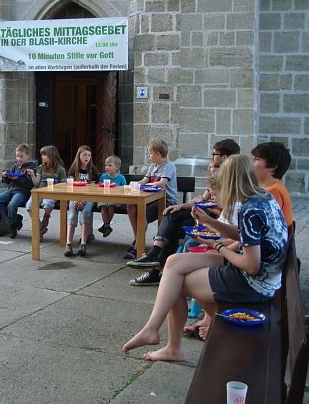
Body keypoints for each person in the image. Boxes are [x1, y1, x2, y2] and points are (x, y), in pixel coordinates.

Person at [122, 154, 288, 362]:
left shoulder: (250, 209)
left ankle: (175, 347)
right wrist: (211, 222)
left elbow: (251, 266)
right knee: (174, 262)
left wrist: (217, 245)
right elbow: (248, 236)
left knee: (176, 285)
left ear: (230, 180)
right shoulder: (262, 197)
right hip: (266, 272)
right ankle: (151, 329)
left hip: (255, 282)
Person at [126, 138, 240, 286]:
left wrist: (208, 206)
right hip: (207, 215)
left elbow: (223, 208)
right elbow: (202, 199)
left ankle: (156, 266)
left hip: (217, 221)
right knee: (171, 214)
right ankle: (156, 263)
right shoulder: (217, 174)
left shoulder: (233, 179)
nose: (212, 158)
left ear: (225, 157)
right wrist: (181, 206)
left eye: (214, 154)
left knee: (175, 225)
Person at [123, 139, 178, 263]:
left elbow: (162, 183)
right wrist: (135, 184)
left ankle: (137, 248)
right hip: (150, 198)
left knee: (144, 214)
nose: (148, 156)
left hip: (166, 200)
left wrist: (147, 186)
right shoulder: (153, 166)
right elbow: (145, 180)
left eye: (150, 153)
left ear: (158, 154)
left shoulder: (169, 166)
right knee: (131, 205)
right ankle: (137, 238)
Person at [0, 143, 37, 239]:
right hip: (11, 190)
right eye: (17, 156)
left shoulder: (31, 167)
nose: (19, 159)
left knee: (11, 205)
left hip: (22, 192)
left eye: (21, 156)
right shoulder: (15, 166)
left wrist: (18, 178)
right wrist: (5, 176)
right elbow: (8, 182)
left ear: (27, 156)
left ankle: (11, 227)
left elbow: (29, 184)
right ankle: (16, 219)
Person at [64, 145, 99, 258]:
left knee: (85, 214)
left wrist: (83, 201)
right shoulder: (74, 170)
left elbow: (93, 189)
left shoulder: (92, 171)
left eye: (89, 155)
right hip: (74, 196)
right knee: (72, 214)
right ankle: (68, 243)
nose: (86, 157)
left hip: (88, 197)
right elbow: (70, 187)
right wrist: (75, 200)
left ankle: (83, 243)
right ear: (79, 156)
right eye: (84, 155)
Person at [26, 145, 66, 239]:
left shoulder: (60, 169)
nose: (41, 157)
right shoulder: (41, 168)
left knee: (47, 204)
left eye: (44, 154)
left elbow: (64, 184)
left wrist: (57, 185)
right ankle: (40, 227)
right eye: (41, 154)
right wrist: (32, 175)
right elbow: (36, 184)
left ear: (51, 156)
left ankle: (46, 216)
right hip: (40, 191)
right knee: (29, 206)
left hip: (52, 192)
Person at [251, 141, 293, 227]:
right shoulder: (270, 187)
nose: (252, 162)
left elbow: (258, 231)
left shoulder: (273, 191)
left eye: (257, 159)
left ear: (273, 166)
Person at [97, 155, 127, 238]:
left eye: (110, 165)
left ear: (117, 167)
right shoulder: (103, 176)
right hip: (104, 197)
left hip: (116, 198)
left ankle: (106, 225)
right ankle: (107, 226)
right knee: (103, 206)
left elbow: (124, 189)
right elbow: (99, 186)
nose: (107, 167)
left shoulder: (121, 178)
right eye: (106, 165)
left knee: (111, 205)